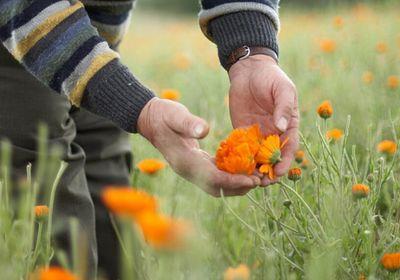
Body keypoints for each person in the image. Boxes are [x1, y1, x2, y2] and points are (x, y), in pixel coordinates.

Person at [0, 0, 298, 278]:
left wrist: (251, 54)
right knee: (53, 230)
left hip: (91, 37)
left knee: (115, 226)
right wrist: (132, 104)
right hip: (14, 32)